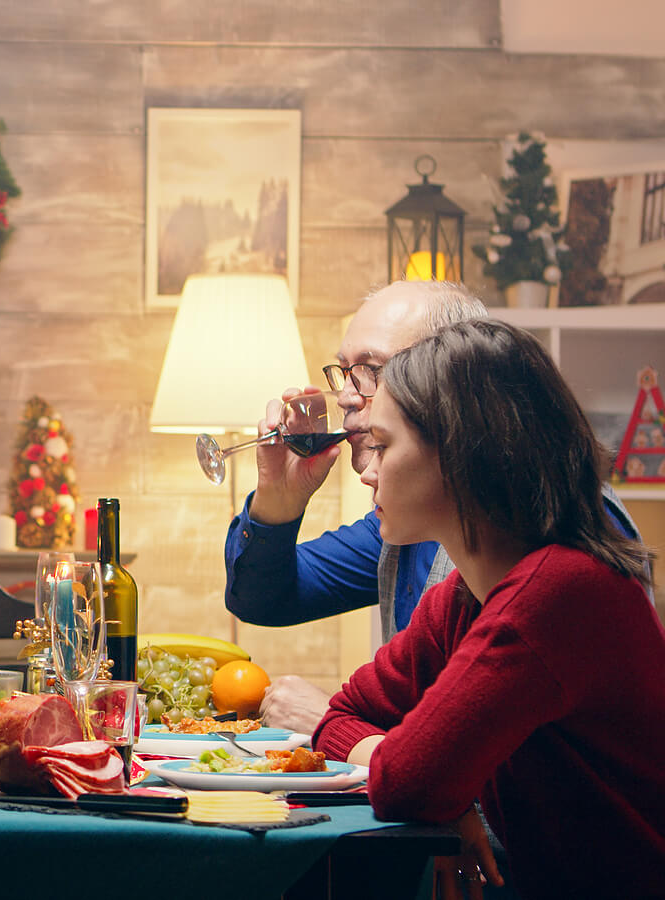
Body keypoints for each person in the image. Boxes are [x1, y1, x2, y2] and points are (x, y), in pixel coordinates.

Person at [315, 319, 665, 900]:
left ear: (455, 453)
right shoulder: (463, 598)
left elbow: (408, 783)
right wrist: (438, 792)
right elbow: (341, 716)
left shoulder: (556, 594)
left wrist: (427, 781)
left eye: (383, 445)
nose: (368, 470)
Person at [222, 280, 644, 735]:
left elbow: (477, 758)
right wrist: (278, 500)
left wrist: (332, 724)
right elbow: (261, 599)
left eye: (371, 370)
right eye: (345, 371)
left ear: (454, 383)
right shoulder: (422, 520)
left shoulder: (557, 536)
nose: (346, 394)